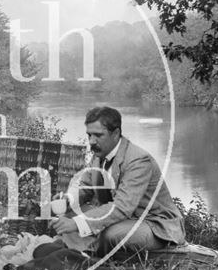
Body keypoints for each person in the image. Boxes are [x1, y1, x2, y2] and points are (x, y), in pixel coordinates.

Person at [47, 106, 185, 259]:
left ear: (116, 133)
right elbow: (86, 187)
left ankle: (88, 254)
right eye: (89, 135)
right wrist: (68, 200)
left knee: (111, 235)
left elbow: (122, 207)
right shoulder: (99, 154)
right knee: (71, 214)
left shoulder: (138, 160)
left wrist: (77, 224)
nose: (92, 141)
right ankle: (85, 252)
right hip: (123, 220)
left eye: (98, 135)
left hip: (154, 224)